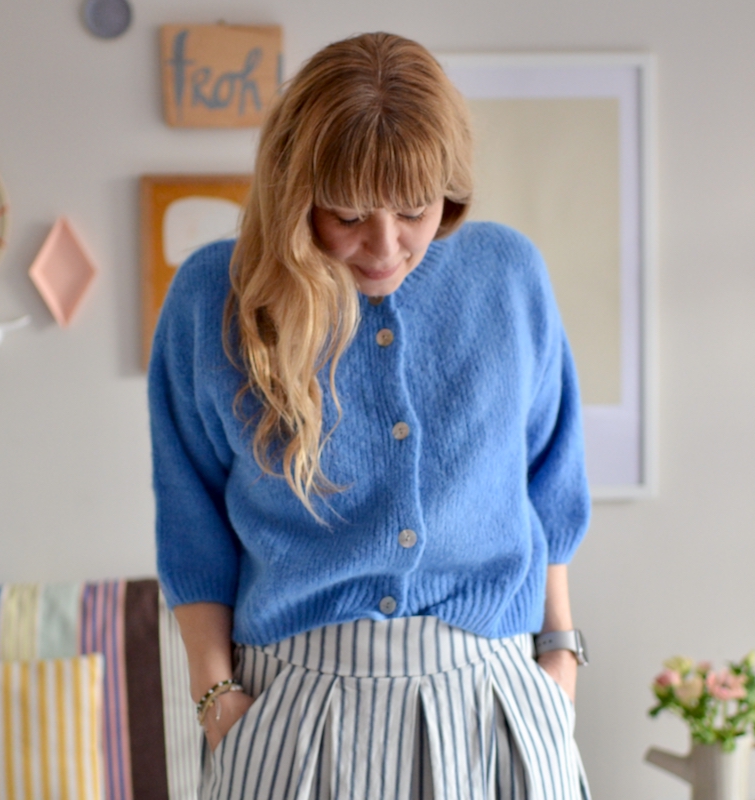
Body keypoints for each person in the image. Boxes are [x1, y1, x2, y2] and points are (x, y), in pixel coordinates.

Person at [149, 31, 591, 800]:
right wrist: (217, 698)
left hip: (493, 697)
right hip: (294, 707)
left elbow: (548, 481)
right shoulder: (213, 296)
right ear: (296, 192)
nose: (385, 246)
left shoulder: (507, 274)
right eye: (348, 213)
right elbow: (191, 521)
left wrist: (560, 659)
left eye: (415, 210)